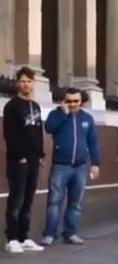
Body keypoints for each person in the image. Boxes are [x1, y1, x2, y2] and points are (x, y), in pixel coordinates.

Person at [41, 88, 101, 246]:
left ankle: (70, 233)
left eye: (76, 101)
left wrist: (95, 163)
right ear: (63, 100)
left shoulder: (87, 118)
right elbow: (49, 128)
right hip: (60, 166)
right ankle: (49, 234)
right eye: (69, 101)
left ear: (82, 101)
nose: (72, 104)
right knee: (54, 201)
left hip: (80, 167)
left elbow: (93, 142)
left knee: (75, 203)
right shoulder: (56, 115)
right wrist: (63, 113)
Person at [2, 66, 45, 254]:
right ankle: (11, 239)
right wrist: (19, 156)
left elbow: (38, 133)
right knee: (16, 200)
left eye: (29, 81)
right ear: (17, 83)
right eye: (22, 81)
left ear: (33, 84)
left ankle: (24, 237)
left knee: (28, 200)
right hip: (18, 161)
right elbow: (9, 134)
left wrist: (40, 155)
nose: (26, 84)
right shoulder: (11, 106)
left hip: (34, 160)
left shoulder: (35, 106)